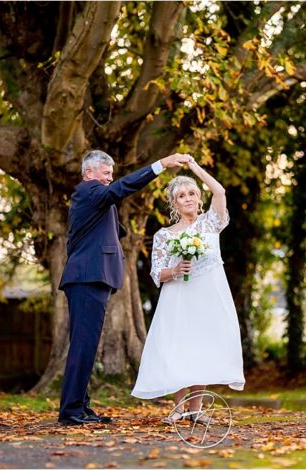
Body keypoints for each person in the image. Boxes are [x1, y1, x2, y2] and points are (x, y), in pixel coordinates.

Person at [58, 149, 191, 426]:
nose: (110, 178)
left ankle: (81, 407)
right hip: (86, 278)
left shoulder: (96, 200)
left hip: (93, 278)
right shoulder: (87, 192)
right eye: (105, 173)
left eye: (111, 174)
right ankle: (71, 411)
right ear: (89, 174)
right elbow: (120, 189)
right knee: (83, 346)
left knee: (88, 346)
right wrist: (160, 164)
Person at [131, 156, 245, 424]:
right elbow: (157, 272)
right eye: (181, 195)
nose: (188, 198)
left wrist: (194, 167)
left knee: (203, 347)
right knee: (178, 348)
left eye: (192, 193)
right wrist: (174, 271)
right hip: (178, 297)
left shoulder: (211, 223)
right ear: (174, 203)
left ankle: (197, 410)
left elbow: (220, 191)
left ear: (199, 197)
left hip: (209, 294)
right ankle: (179, 408)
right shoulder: (164, 235)